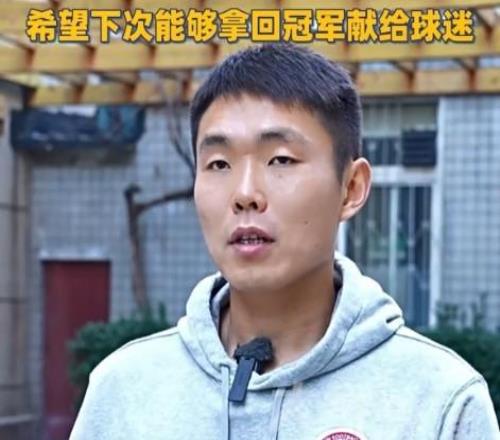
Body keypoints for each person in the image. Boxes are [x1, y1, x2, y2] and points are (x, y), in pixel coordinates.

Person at [70, 43, 499, 440]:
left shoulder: (440, 400)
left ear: (351, 188)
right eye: (218, 164)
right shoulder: (124, 391)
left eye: (280, 160)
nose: (245, 194)